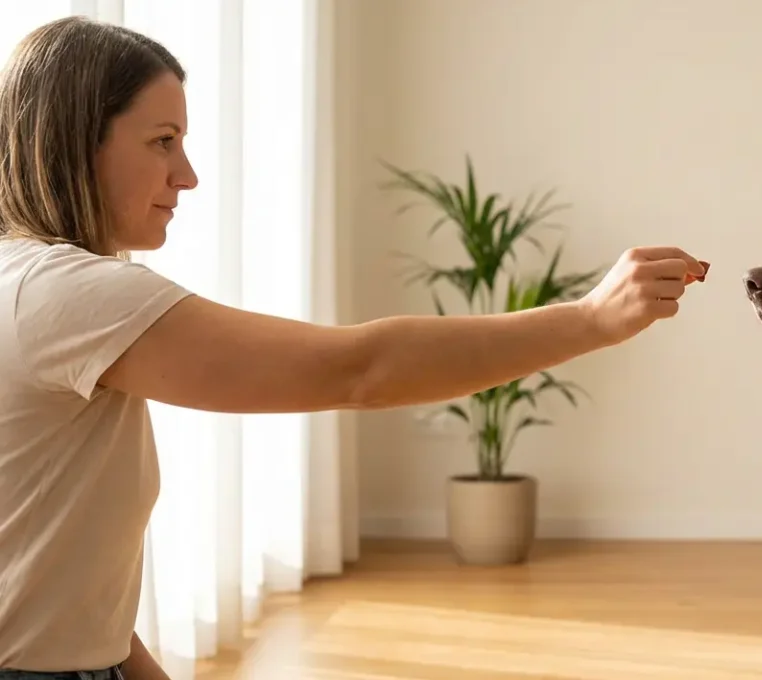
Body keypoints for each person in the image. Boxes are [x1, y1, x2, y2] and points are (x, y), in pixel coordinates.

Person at [0, 15, 707, 680]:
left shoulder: (27, 285)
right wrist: (590, 319)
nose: (186, 176)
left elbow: (58, 567)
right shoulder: (65, 296)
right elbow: (362, 370)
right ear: (74, 140)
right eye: (162, 141)